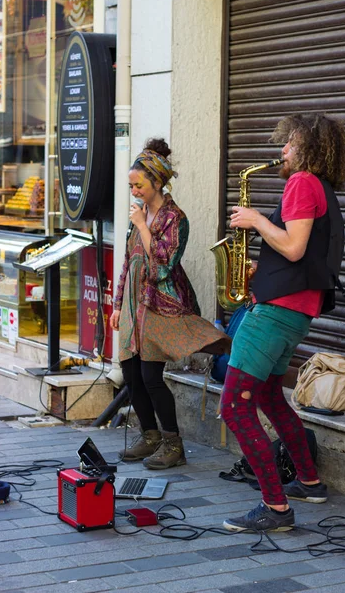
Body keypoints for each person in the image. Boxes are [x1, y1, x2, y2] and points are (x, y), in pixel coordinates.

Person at [220, 113, 345, 532]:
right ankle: (308, 482)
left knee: (234, 408)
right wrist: (265, 266)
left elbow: (293, 248)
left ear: (307, 150)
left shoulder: (300, 183)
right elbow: (303, 254)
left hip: (273, 314)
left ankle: (275, 509)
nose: (282, 151)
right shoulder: (323, 190)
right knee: (272, 398)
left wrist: (256, 220)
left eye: (289, 144)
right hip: (295, 312)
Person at [110, 138, 231, 470]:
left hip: (160, 306)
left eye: (139, 185)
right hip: (134, 306)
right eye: (131, 185)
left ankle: (172, 443)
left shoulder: (175, 218)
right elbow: (128, 262)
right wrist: (117, 302)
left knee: (151, 376)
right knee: (130, 374)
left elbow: (162, 266)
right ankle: (149, 436)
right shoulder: (142, 213)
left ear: (157, 182)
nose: (134, 190)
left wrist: (140, 226)